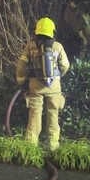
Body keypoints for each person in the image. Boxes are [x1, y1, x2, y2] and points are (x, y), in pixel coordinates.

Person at [16, 17, 71, 151]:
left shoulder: (30, 46)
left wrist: (21, 81)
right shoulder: (58, 46)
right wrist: (57, 77)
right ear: (52, 31)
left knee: (35, 114)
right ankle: (53, 146)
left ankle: (30, 147)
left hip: (35, 86)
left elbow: (21, 66)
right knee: (53, 114)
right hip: (54, 87)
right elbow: (65, 65)